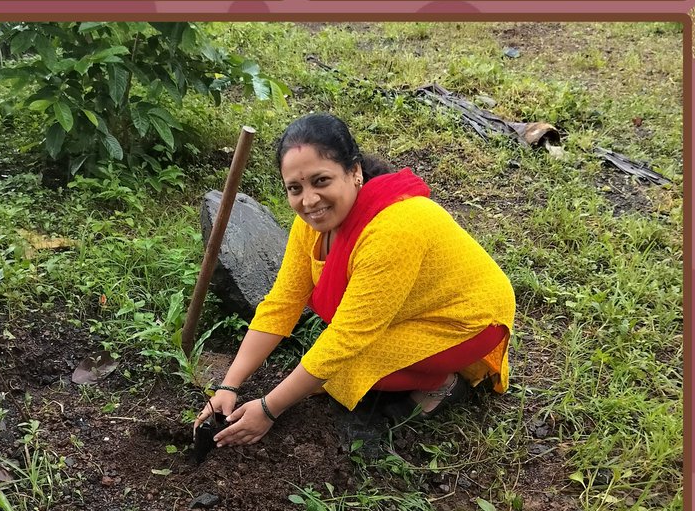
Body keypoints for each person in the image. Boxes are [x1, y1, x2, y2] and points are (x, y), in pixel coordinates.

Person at [194, 113, 515, 447]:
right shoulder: (311, 225)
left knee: (342, 370)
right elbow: (281, 304)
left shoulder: (394, 228)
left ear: (355, 172)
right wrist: (228, 386)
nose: (309, 201)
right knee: (325, 366)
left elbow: (346, 337)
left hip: (465, 319)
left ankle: (445, 383)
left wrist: (268, 409)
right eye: (295, 188)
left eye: (321, 181)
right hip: (410, 306)